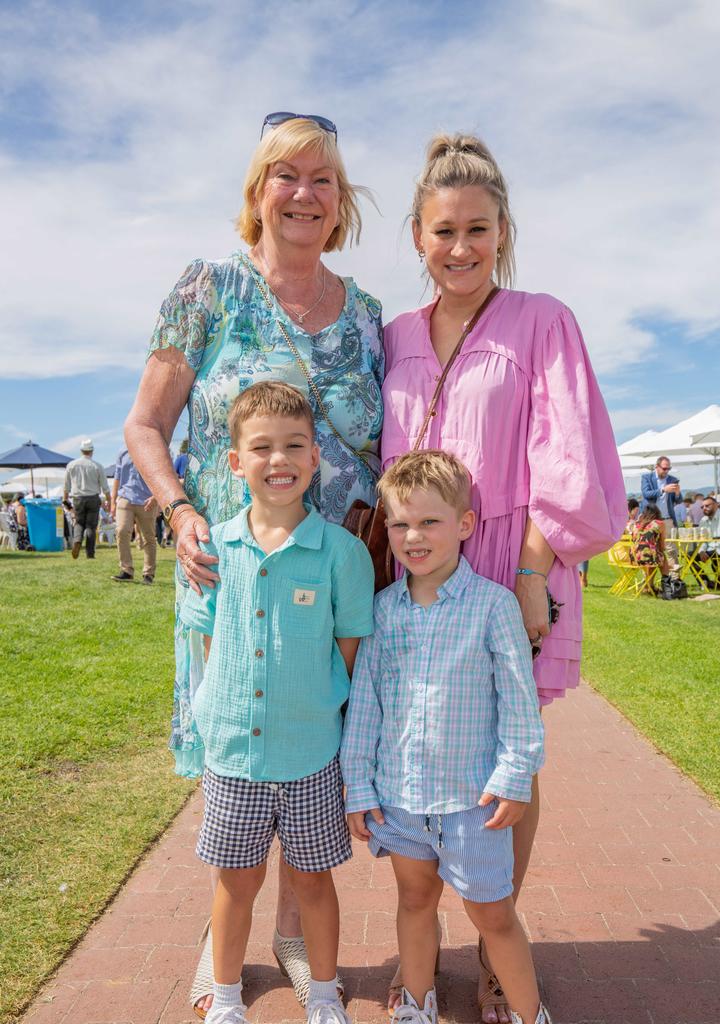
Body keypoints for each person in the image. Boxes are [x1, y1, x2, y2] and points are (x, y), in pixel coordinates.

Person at [124, 113, 383, 1017]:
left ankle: (292, 935)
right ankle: (222, 946)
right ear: (257, 190)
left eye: (323, 178)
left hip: (334, 569)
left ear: (341, 199)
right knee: (236, 754)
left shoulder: (369, 315)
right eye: (287, 175)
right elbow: (146, 425)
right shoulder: (208, 288)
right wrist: (182, 510)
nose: (305, 193)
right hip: (226, 573)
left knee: (313, 761)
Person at [381, 133, 625, 1022]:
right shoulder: (395, 333)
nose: (460, 248)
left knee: (506, 751)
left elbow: (565, 454)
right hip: (416, 580)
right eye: (443, 231)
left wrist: (533, 573)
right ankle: (421, 934)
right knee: (424, 743)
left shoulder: (543, 320)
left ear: (503, 230)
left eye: (477, 230)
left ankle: (496, 944)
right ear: (416, 235)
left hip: (512, 569)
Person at [180, 382, 374, 1024]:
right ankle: (228, 996)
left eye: (294, 445)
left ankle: (322, 992)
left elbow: (347, 644)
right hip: (234, 755)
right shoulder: (213, 551)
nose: (278, 459)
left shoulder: (342, 555)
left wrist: (317, 701)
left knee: (314, 881)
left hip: (311, 753)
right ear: (236, 461)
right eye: (260, 447)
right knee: (236, 883)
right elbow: (208, 643)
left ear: (315, 457)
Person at [341, 451, 550, 1024]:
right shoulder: (383, 611)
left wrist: (514, 776)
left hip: (473, 803)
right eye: (401, 523)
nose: (413, 536)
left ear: (464, 525)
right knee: (413, 900)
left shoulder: (494, 606)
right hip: (402, 800)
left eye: (430, 522)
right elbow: (365, 706)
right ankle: (416, 1000)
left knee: (494, 915)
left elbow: (518, 702)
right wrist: (358, 785)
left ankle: (532, 1013)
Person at [110, 446, 158, 584]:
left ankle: (148, 574)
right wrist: (113, 502)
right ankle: (126, 571)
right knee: (121, 530)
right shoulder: (122, 452)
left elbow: (159, 476)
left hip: (147, 499)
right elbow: (117, 477)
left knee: (149, 537)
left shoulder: (152, 450)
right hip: (125, 497)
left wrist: (156, 497)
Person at [62, 439, 110, 559]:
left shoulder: (71, 465)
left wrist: (65, 501)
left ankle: (77, 540)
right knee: (91, 526)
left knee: (79, 523)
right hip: (93, 498)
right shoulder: (97, 466)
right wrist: (109, 500)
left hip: (78, 498)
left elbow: (66, 487)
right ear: (92, 451)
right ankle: (90, 553)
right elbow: (105, 487)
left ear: (81, 450)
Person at [628, 503, 670, 592]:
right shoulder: (659, 523)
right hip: (647, 557)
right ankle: (666, 586)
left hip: (634, 558)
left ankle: (649, 586)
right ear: (657, 513)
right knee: (661, 557)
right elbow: (662, 546)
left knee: (653, 556)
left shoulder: (637, 524)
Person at [641, 456, 682, 534]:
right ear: (657, 466)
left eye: (668, 469)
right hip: (650, 520)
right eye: (664, 468)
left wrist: (677, 493)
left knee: (670, 546)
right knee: (651, 545)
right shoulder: (647, 478)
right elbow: (646, 494)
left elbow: (678, 501)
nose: (666, 471)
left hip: (667, 520)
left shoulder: (673, 480)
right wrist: (663, 490)